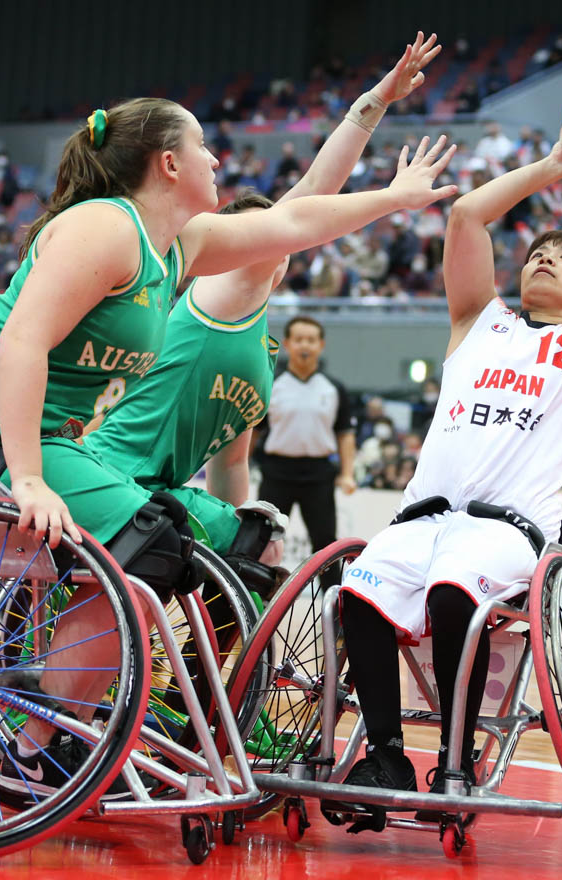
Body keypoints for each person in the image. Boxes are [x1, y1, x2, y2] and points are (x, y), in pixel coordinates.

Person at [0, 93, 458, 794]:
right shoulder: (105, 227)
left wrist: (394, 199)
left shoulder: (174, 249)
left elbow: (297, 218)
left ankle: (45, 723)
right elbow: (21, 340)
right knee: (156, 540)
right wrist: (31, 478)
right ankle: (38, 725)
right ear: (167, 163)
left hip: (28, 437)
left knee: (163, 549)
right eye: (203, 147)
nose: (218, 159)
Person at [319, 125, 562, 826]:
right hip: (423, 517)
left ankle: (457, 760)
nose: (544, 260)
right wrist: (553, 166)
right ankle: (386, 754)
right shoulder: (478, 322)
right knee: (353, 593)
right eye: (538, 252)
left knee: (455, 594)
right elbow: (465, 216)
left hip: (508, 529)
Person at [83, 33, 445, 576]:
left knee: (254, 544)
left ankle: (214, 660)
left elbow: (230, 463)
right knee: (260, 548)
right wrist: (372, 106)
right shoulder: (221, 287)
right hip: (117, 476)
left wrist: (235, 540)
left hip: (159, 490)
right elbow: (315, 191)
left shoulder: (260, 343)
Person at [255, 315, 358, 552]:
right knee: (262, 539)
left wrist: (347, 473)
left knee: (325, 542)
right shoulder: (271, 383)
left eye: (311, 340)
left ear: (321, 345)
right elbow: (253, 431)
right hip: (276, 473)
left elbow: (345, 434)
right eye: (299, 339)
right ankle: (253, 590)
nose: (305, 345)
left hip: (319, 474)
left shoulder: (334, 388)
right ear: (287, 343)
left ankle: (332, 590)